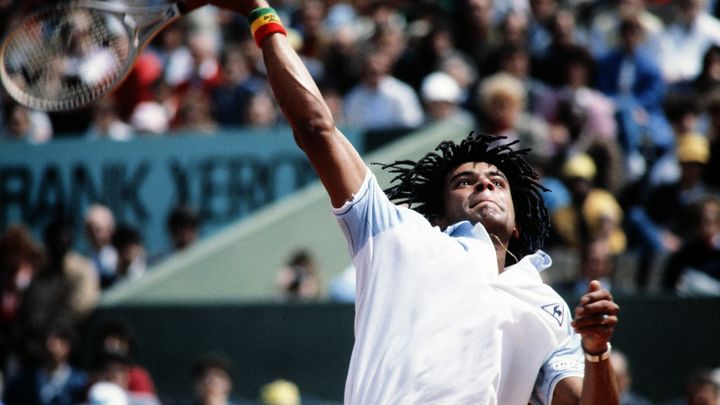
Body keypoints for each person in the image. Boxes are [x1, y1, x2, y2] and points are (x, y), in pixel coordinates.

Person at [205, 1, 620, 404]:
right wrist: (262, 16)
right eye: (465, 181)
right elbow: (316, 128)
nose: (485, 185)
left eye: (497, 181)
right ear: (439, 217)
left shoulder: (547, 306)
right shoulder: (396, 233)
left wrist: (598, 351)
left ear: (516, 226)